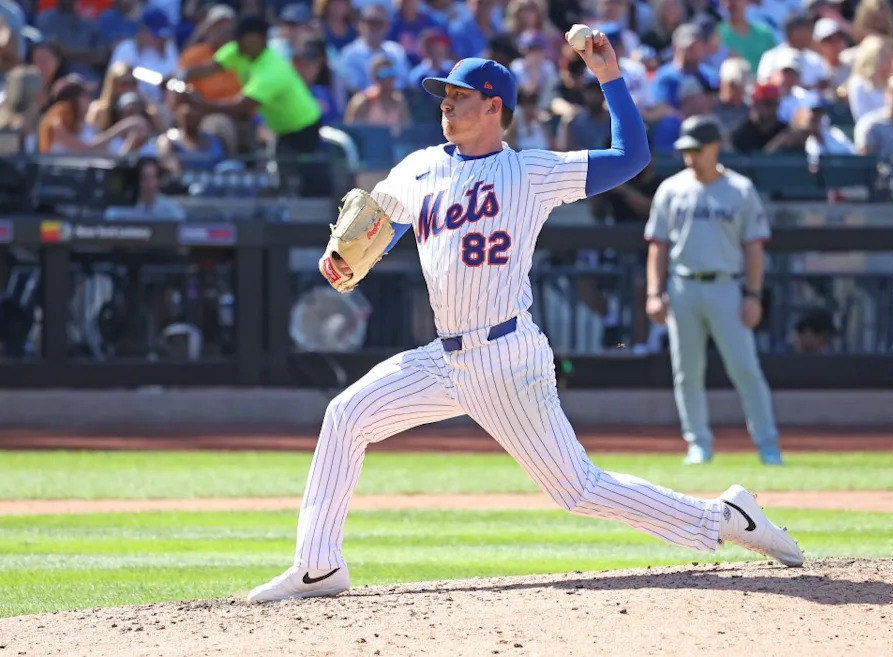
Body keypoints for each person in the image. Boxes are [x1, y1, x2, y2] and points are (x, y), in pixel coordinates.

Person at [245, 32, 803, 603]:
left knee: (579, 490)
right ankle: (318, 567)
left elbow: (632, 158)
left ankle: (722, 517)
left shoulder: (532, 173)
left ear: (494, 108)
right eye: (444, 95)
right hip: (444, 358)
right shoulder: (418, 169)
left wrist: (609, 78)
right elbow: (381, 224)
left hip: (507, 358)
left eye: (461, 96)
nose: (446, 103)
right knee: (345, 416)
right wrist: (344, 255)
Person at [644, 115, 784, 466]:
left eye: (696, 149)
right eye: (686, 150)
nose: (690, 156)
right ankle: (698, 443)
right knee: (687, 371)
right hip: (683, 286)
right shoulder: (672, 189)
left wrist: (753, 295)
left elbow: (754, 247)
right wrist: (654, 292)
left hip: (726, 286)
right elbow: (657, 245)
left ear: (715, 147)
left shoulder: (739, 189)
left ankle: (767, 444)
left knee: (745, 368)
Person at [177, 14, 323, 194]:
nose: (236, 42)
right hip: (280, 128)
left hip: (302, 126)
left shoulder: (272, 69)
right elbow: (210, 68)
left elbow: (241, 106)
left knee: (295, 176)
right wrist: (179, 76)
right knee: (280, 169)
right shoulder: (239, 51)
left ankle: (295, 210)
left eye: (241, 38)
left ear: (258, 40)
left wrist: (201, 105)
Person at [104, 156, 186, 221]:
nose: (148, 184)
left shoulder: (171, 211)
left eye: (152, 178)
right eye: (144, 178)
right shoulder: (120, 210)